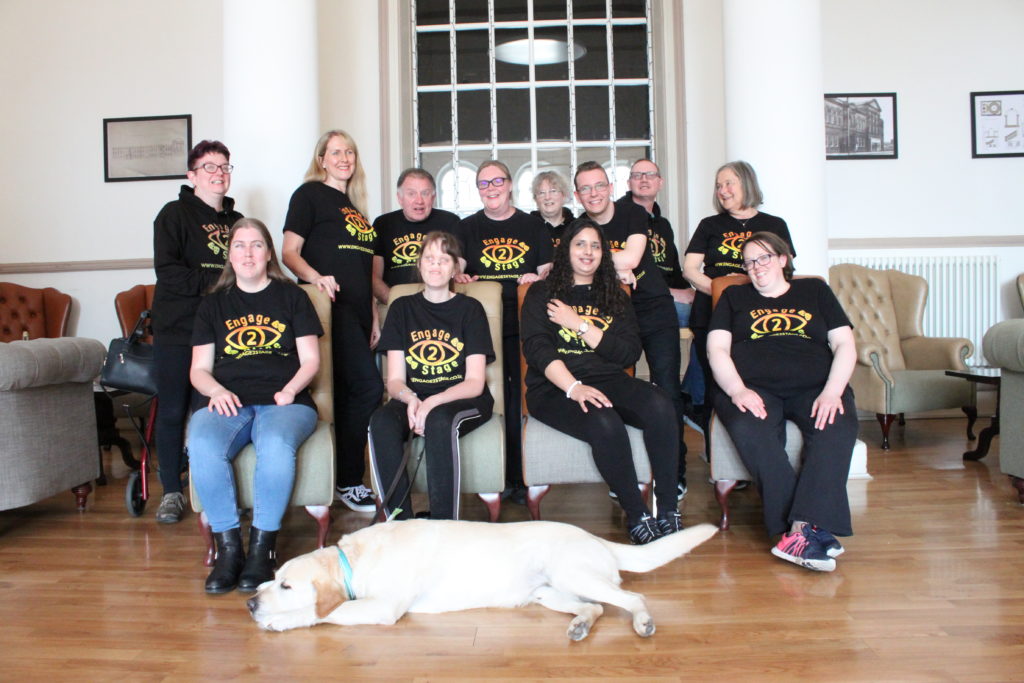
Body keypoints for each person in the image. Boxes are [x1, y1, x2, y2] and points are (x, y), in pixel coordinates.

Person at [521, 218, 682, 544]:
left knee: (662, 404)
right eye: (580, 243)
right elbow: (537, 350)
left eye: (596, 245)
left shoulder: (614, 295)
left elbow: (627, 353)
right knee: (604, 420)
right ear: (566, 249)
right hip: (554, 387)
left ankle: (667, 507)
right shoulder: (542, 292)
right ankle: (637, 515)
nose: (588, 251)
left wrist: (580, 324)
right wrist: (573, 387)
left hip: (608, 377)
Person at [707, 232, 857, 571]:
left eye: (763, 258)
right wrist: (736, 390)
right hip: (752, 387)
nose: (756, 267)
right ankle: (809, 530)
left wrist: (832, 391)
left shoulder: (815, 291)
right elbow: (716, 349)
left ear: (782, 259)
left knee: (835, 427)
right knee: (754, 432)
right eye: (749, 262)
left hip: (815, 387)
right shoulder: (733, 296)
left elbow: (844, 344)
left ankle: (800, 531)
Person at [188, 218, 322, 593]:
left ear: (268, 254)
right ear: (229, 255)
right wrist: (215, 392)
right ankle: (229, 550)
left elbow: (311, 360)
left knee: (275, 444)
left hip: (285, 402)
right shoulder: (212, 304)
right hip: (228, 402)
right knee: (201, 443)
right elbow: (198, 369)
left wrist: (290, 390)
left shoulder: (293, 297)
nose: (248, 253)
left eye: (257, 245)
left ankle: (263, 550)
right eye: (240, 245)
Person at [283, 130, 383, 513]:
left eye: (350, 152)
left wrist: (373, 313)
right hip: (328, 311)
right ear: (321, 159)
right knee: (368, 388)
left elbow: (362, 271)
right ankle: (347, 480)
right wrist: (314, 277)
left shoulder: (357, 211)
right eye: (336, 152)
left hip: (357, 314)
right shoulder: (308, 195)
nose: (344, 158)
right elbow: (289, 252)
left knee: (346, 395)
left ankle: (336, 478)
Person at [574, 161, 688, 500]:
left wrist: (605, 266)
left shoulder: (633, 213)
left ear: (610, 187)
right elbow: (575, 264)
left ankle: (675, 472)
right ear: (578, 195)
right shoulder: (579, 225)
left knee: (667, 389)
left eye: (599, 186)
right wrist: (614, 269)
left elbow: (634, 257)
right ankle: (625, 473)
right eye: (585, 188)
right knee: (615, 389)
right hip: (610, 314)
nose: (593, 193)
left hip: (653, 309)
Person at [369, 231, 495, 520]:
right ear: (420, 264)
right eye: (429, 258)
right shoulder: (401, 307)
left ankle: (443, 525)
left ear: (454, 267)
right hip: (414, 396)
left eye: (443, 259)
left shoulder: (470, 310)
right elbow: (395, 380)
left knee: (440, 421)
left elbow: (475, 382)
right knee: (382, 421)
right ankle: (399, 523)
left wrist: (432, 402)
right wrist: (411, 399)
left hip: (462, 398)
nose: (435, 265)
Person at [151, 140, 243, 524]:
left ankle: (210, 492)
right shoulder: (173, 215)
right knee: (172, 411)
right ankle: (172, 491)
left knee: (210, 413)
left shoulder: (238, 222)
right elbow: (169, 273)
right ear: (192, 176)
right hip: (177, 330)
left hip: (222, 334)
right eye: (209, 167)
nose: (219, 172)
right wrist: (222, 280)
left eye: (224, 166)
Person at [455, 160, 553, 502]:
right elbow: (458, 271)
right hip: (483, 326)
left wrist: (537, 279)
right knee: (491, 398)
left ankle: (520, 475)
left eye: (497, 181)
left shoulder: (533, 226)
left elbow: (548, 271)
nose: (491, 188)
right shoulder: (467, 228)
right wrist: (461, 277)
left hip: (526, 324)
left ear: (510, 185)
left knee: (520, 398)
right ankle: (491, 472)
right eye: (484, 183)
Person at [683, 160, 795, 432]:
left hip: (759, 312)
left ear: (746, 183)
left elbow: (787, 269)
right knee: (714, 377)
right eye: (719, 185)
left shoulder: (774, 224)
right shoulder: (709, 225)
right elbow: (690, 269)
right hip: (712, 308)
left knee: (753, 374)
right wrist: (721, 294)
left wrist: (750, 298)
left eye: (729, 183)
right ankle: (714, 451)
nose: (722, 190)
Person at [622, 158, 703, 435]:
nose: (644, 180)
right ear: (628, 182)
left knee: (715, 315)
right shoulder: (620, 216)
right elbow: (630, 270)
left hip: (668, 300)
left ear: (660, 182)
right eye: (637, 175)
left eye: (650, 175)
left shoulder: (663, 225)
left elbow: (674, 271)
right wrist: (672, 294)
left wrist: (689, 292)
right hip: (638, 301)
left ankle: (693, 396)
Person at [372, 168, 460, 304]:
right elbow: (374, 277)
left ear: (433, 197)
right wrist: (395, 304)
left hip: (440, 302)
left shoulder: (450, 222)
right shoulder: (383, 224)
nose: (419, 200)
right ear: (400, 198)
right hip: (394, 302)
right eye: (411, 194)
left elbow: (457, 269)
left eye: (425, 193)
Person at [530, 170, 575, 249]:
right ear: (535, 199)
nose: (547, 197)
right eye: (542, 193)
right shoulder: (528, 226)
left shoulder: (576, 227)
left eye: (553, 191)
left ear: (564, 195)